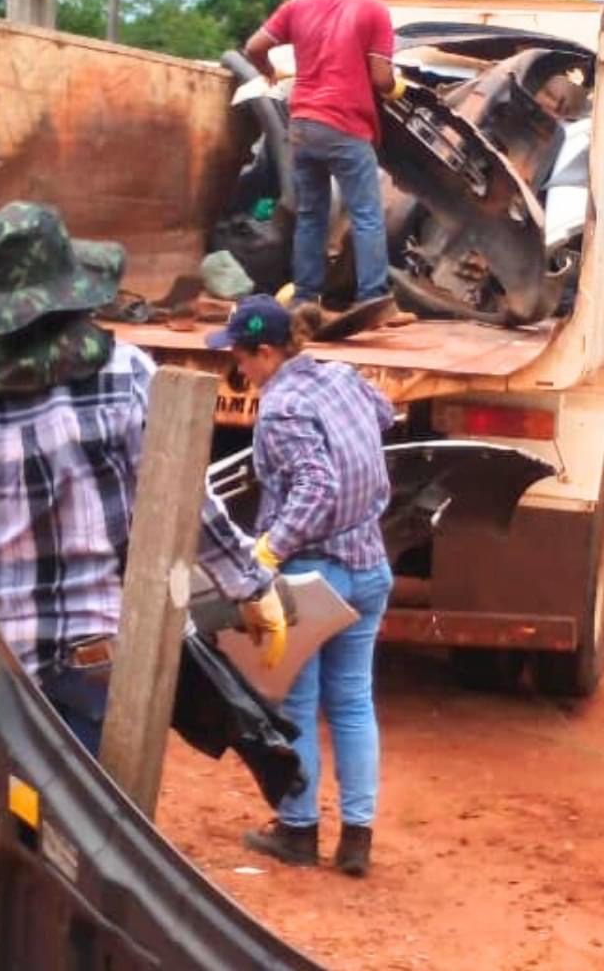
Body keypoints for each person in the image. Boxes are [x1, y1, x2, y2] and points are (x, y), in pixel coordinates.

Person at [0, 202, 286, 758]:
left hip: (12, 663)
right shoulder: (125, 374)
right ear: (71, 295)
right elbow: (182, 504)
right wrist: (249, 584)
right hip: (110, 650)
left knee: (22, 818)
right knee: (99, 820)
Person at [206, 294, 394, 877]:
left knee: (296, 706)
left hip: (313, 574)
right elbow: (385, 414)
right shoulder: (339, 375)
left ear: (266, 352)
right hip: (369, 566)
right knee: (354, 701)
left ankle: (298, 829)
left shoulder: (282, 407)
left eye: (241, 358)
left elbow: (316, 487)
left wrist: (271, 546)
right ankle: (357, 839)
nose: (239, 371)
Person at [243, 0, 408, 319]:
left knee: (312, 215)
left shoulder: (298, 5)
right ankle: (373, 301)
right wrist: (395, 88)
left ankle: (304, 299)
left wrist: (269, 72)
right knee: (367, 213)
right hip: (345, 125)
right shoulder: (372, 10)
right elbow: (381, 77)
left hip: (302, 125)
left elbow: (253, 47)